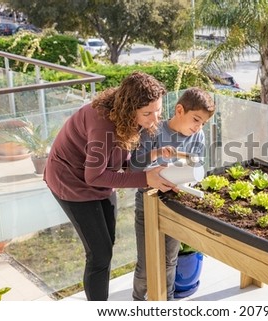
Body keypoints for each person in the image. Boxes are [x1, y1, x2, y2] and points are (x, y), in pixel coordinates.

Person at [43, 71, 176, 301]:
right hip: (71, 182)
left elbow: (119, 160)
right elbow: (94, 177)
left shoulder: (125, 115)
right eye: (147, 113)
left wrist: (153, 156)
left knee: (106, 245)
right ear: (129, 108)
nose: (155, 119)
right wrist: (146, 179)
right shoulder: (102, 124)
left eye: (158, 111)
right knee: (100, 255)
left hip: (97, 177)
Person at [130, 87, 216, 301]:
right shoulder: (154, 130)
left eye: (203, 123)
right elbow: (133, 165)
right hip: (148, 201)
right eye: (196, 119)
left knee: (170, 260)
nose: (198, 127)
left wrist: (186, 181)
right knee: (146, 264)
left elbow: (198, 167)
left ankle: (166, 302)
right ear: (179, 110)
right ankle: (139, 300)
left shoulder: (199, 136)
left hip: (176, 204)